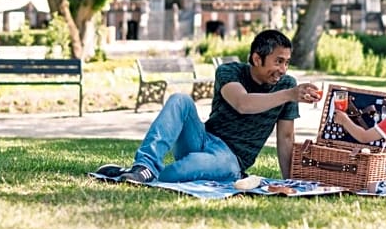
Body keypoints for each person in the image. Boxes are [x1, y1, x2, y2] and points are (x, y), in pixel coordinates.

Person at [98, 29, 321, 183]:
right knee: (180, 100)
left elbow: (285, 138)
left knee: (176, 173)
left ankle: (132, 175)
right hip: (203, 139)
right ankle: (143, 167)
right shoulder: (229, 72)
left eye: (286, 62)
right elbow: (242, 103)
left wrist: (290, 182)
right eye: (278, 61)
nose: (283, 69)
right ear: (256, 58)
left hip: (230, 160)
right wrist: (289, 95)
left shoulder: (287, 85)